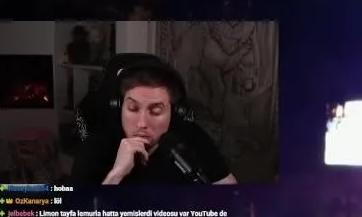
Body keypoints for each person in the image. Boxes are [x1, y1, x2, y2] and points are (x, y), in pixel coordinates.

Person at [69, 54, 237, 185]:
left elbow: (231, 194)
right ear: (118, 107)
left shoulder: (191, 137)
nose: (142, 123)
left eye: (155, 111)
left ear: (175, 112)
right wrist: (117, 174)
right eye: (133, 108)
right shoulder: (95, 146)